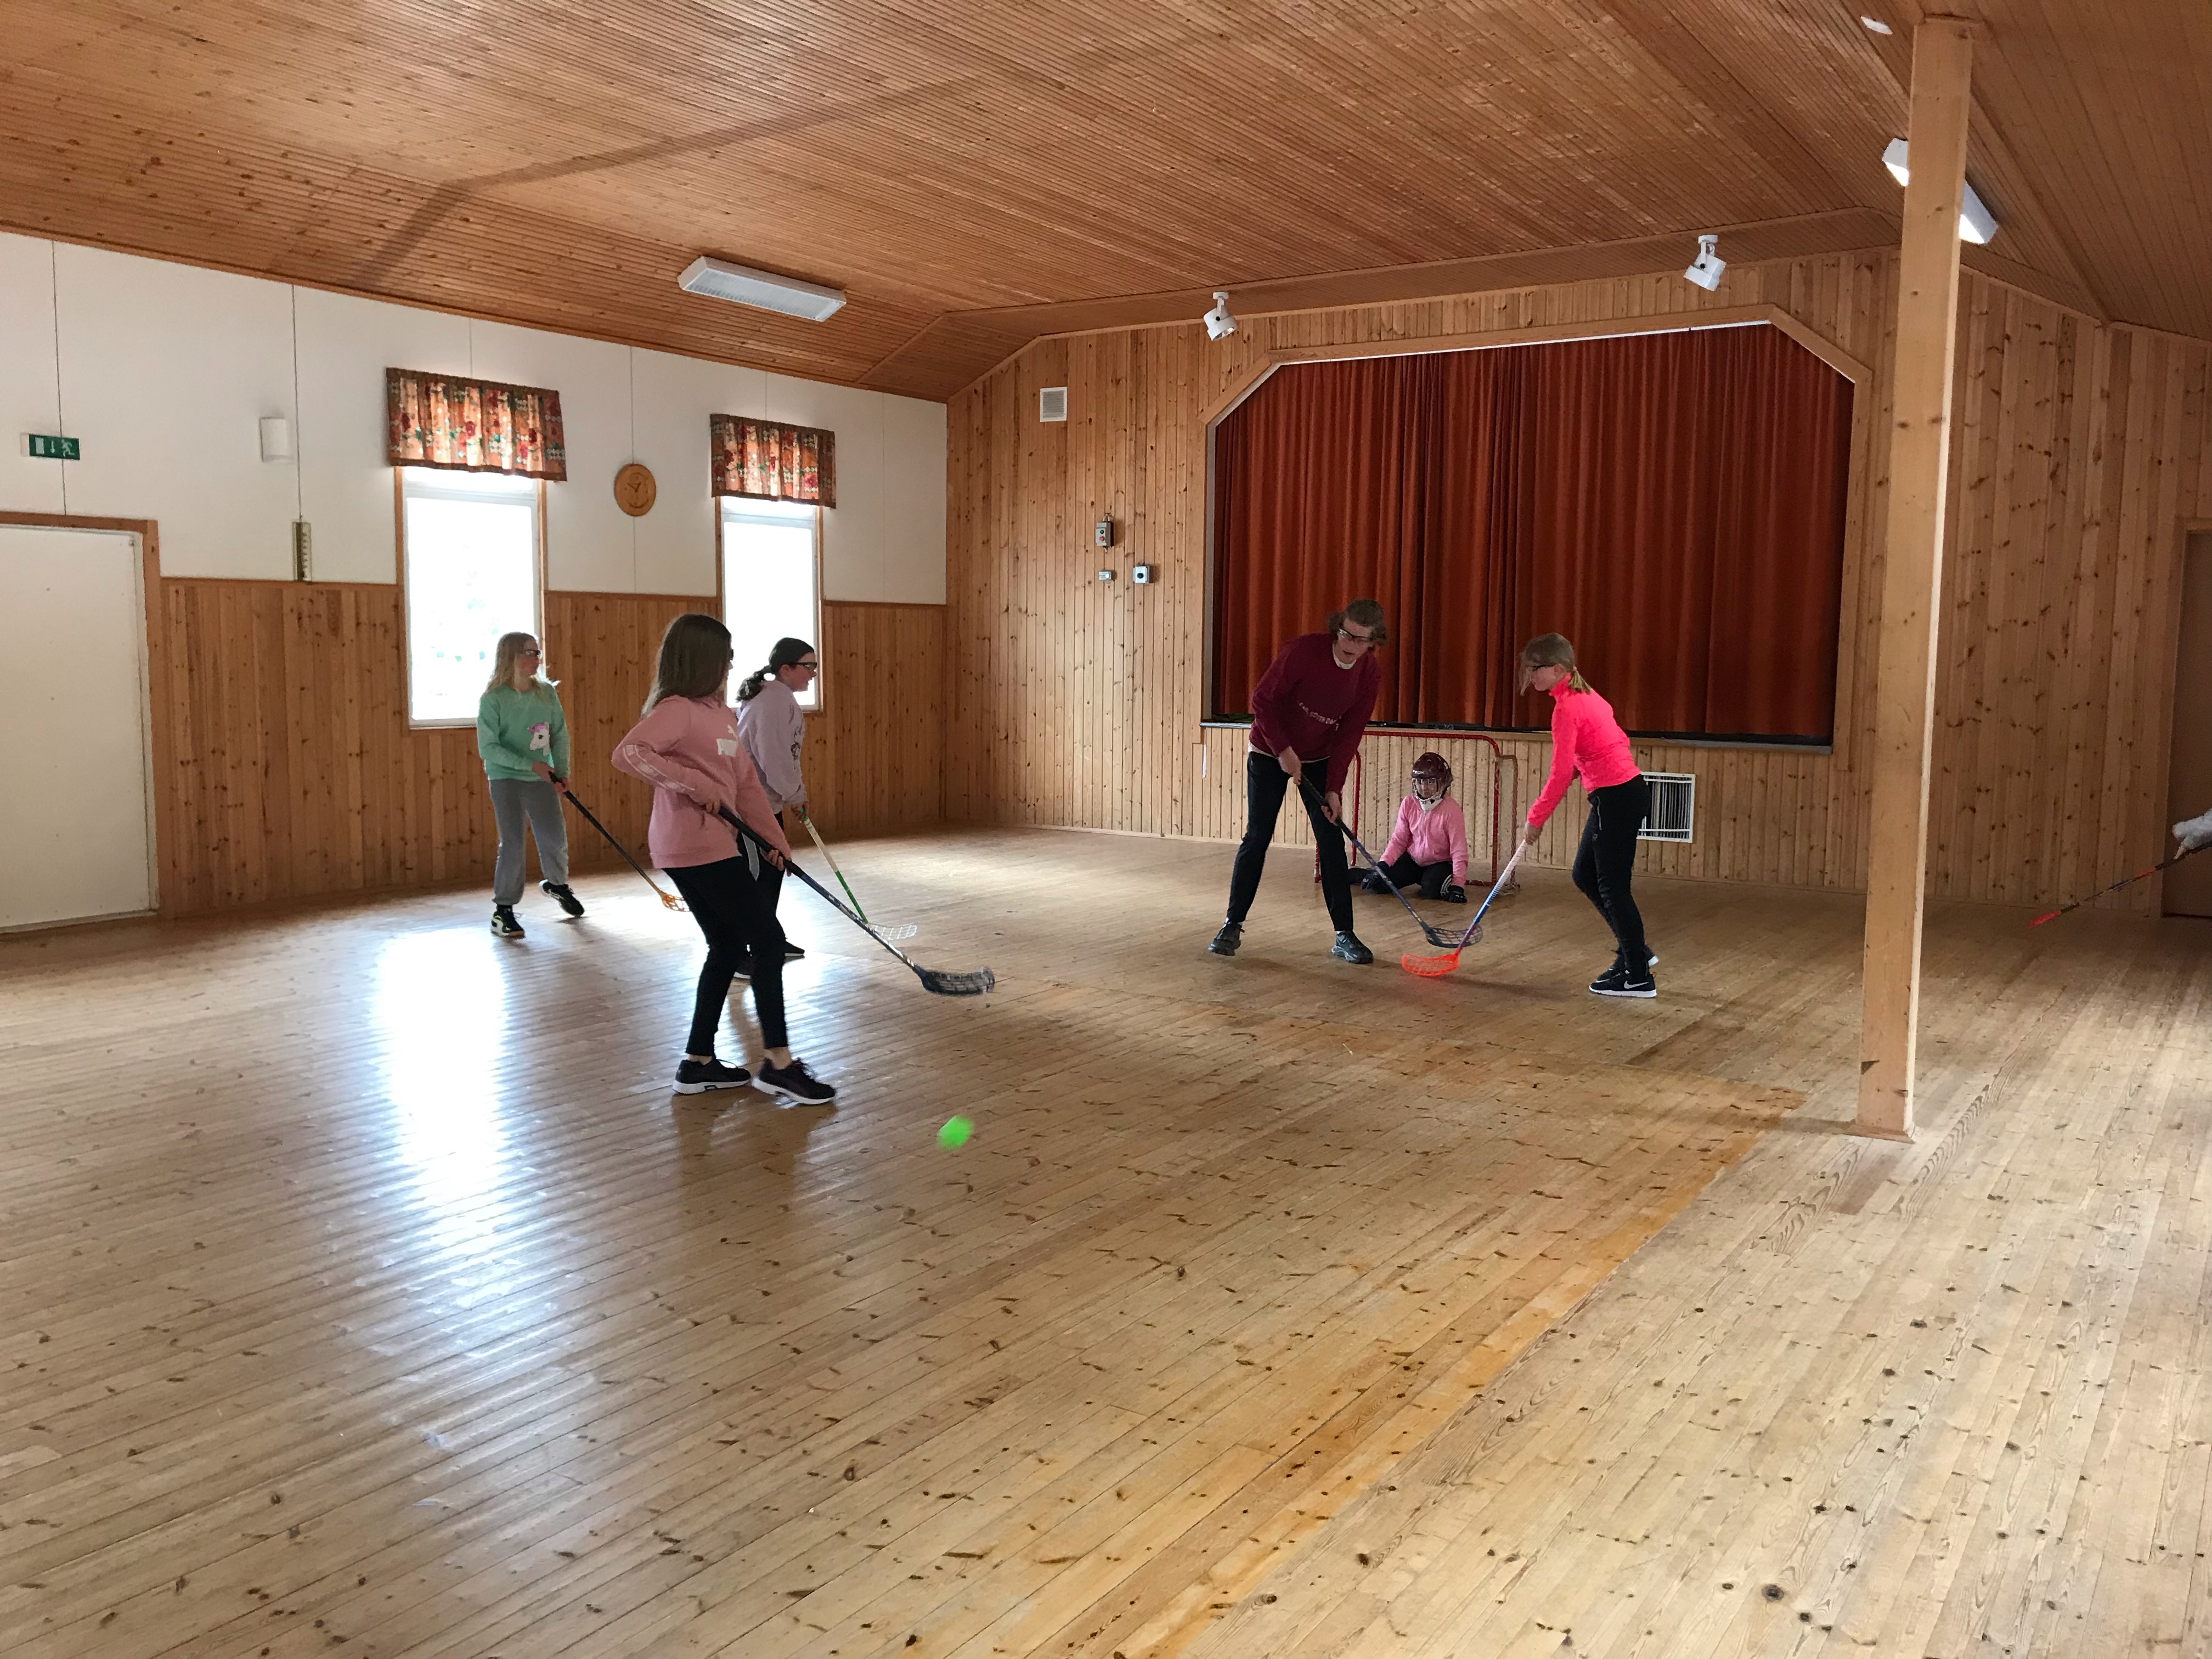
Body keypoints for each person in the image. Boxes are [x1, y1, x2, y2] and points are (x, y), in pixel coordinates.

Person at [612, 613, 836, 1105]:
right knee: (768, 942)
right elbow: (630, 753)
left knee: (726, 945)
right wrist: (694, 785)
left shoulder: (721, 714)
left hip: (716, 845)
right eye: (726, 656)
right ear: (703, 659)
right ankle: (779, 1064)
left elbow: (747, 785)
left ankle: (697, 1063)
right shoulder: (677, 710)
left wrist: (774, 840)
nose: (732, 664)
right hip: (692, 846)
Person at [1210, 599, 1386, 964]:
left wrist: (1334, 788)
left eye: (1360, 640)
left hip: (1319, 758)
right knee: (1258, 836)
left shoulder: (1369, 674)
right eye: (1346, 634)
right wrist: (1283, 750)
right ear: (1337, 628)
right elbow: (1262, 700)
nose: (1350, 645)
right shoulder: (1302, 652)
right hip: (1268, 750)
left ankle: (1345, 934)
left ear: (1373, 642)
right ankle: (1232, 924)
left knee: (1331, 841)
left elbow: (1349, 734)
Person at [1519, 633, 1657, 998]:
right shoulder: (1586, 695)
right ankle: (1635, 951)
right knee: (1585, 874)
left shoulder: (1567, 708)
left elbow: (1560, 773)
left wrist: (1536, 818)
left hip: (1617, 798)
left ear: (1557, 669)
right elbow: (1611, 743)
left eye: (1535, 669)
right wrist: (1584, 768)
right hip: (1620, 795)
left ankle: (1638, 976)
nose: (1530, 676)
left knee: (1613, 887)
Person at [476, 631, 580, 938]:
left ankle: (557, 885)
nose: (536, 658)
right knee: (512, 842)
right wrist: (530, 765)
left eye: (537, 652)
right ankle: (503, 910)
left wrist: (562, 771)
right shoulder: (493, 699)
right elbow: (488, 748)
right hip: (505, 777)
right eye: (529, 653)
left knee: (554, 837)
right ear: (511, 657)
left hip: (541, 777)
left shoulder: (546, 693)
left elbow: (559, 733)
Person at [736, 637, 820, 967]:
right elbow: (773, 757)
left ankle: (767, 938)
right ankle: (741, 950)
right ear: (785, 668)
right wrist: (795, 794)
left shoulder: (780, 698)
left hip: (767, 804)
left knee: (773, 872)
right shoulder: (772, 701)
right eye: (808, 666)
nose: (813, 674)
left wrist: (795, 793)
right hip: (749, 806)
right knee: (755, 877)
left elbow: (787, 756)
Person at [1364, 751, 1468, 902]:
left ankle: (1438, 880)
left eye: (1430, 782)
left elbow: (1459, 849)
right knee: (1379, 884)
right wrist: (1383, 865)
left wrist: (1458, 885)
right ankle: (1357, 874)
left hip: (1440, 863)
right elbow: (1398, 840)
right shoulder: (1408, 803)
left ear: (1442, 782)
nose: (1424, 788)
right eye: (1420, 782)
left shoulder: (1452, 810)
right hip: (1413, 860)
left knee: (1431, 889)